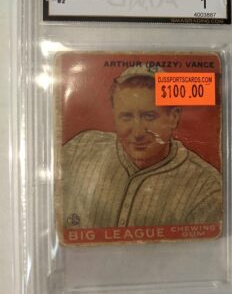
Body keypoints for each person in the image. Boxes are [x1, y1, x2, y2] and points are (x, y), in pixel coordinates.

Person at [59, 65, 222, 230]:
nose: (138, 133)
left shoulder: (206, 187)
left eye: (149, 116)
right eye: (126, 117)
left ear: (173, 117)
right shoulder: (80, 149)